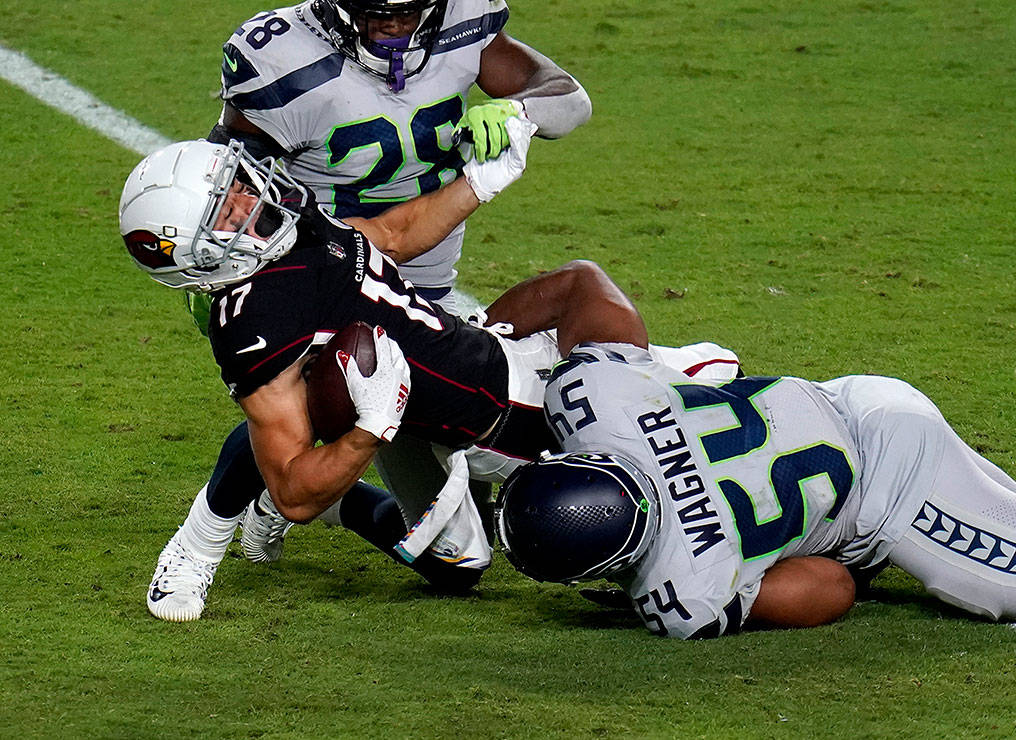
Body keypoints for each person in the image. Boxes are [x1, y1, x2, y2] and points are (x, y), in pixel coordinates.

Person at [152, 0, 597, 620]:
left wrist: (517, 112)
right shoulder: (280, 63)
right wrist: (218, 280)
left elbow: (569, 96)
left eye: (415, 12)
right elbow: (219, 175)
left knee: (464, 559)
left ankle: (333, 504)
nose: (401, 30)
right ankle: (200, 539)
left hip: (427, 284)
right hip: (326, 277)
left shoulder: (460, 13)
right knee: (309, 395)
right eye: (380, 15)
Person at [119, 138, 739, 621]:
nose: (253, 200)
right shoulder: (252, 324)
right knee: (459, 546)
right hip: (402, 418)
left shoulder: (292, 218)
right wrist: (371, 429)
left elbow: (388, 236)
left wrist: (479, 184)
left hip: (483, 382)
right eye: (227, 210)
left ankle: (351, 502)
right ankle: (200, 542)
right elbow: (294, 492)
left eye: (238, 186)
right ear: (201, 256)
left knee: (716, 379)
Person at [493, 277, 1016, 638]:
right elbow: (580, 285)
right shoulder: (595, 403)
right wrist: (484, 345)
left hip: (895, 492)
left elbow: (831, 588)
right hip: (858, 401)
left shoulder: (679, 591)